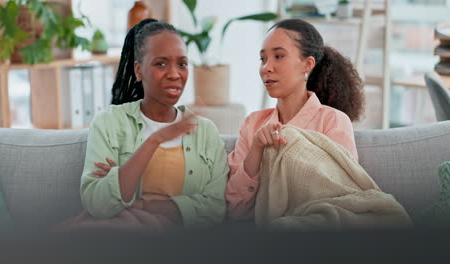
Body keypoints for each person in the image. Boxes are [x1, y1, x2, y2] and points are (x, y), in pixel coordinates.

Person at [63, 19, 229, 231]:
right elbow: (98, 204)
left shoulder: (205, 131)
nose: (174, 74)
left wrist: (137, 202)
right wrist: (155, 140)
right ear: (139, 71)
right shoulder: (110, 123)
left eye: (182, 64)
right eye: (161, 63)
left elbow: (215, 209)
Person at [225, 18, 366, 221]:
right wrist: (256, 148)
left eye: (279, 56)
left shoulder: (333, 121)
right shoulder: (253, 124)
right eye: (263, 59)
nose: (267, 67)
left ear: (307, 64)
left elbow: (342, 199)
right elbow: (234, 209)